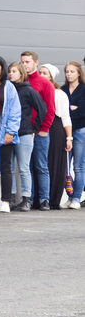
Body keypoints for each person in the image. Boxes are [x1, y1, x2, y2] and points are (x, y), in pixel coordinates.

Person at [8, 61, 46, 211]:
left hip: (24, 134)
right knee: (9, 168)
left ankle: (25, 199)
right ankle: (10, 198)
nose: (11, 73)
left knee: (24, 168)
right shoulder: (7, 90)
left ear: (21, 74)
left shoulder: (28, 91)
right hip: (7, 134)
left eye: (14, 71)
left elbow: (42, 109)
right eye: (10, 71)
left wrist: (33, 128)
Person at [21, 51, 56, 210]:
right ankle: (30, 198)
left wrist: (44, 128)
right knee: (26, 166)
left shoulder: (45, 83)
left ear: (36, 63)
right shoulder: (20, 82)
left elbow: (50, 108)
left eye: (27, 62)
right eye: (22, 62)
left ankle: (44, 199)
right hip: (25, 132)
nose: (25, 65)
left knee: (41, 165)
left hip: (41, 132)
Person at [0, 56, 20, 213]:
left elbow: (15, 110)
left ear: (2, 69)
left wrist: (10, 132)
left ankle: (5, 201)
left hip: (3, 134)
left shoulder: (9, 87)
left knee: (5, 168)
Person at [36, 64, 71, 210]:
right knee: (39, 163)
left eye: (45, 73)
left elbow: (65, 117)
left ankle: (52, 198)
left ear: (51, 76)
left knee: (53, 162)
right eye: (40, 72)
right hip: (38, 126)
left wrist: (69, 137)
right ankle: (38, 198)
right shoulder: (35, 89)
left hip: (56, 129)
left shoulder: (60, 94)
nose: (42, 75)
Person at [66, 61, 85, 209]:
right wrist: (72, 109)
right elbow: (60, 111)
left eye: (72, 71)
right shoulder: (62, 89)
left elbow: (82, 112)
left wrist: (71, 111)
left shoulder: (84, 89)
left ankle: (77, 198)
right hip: (67, 133)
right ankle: (69, 196)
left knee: (78, 167)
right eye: (67, 71)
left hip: (80, 131)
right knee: (65, 167)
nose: (69, 74)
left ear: (79, 73)